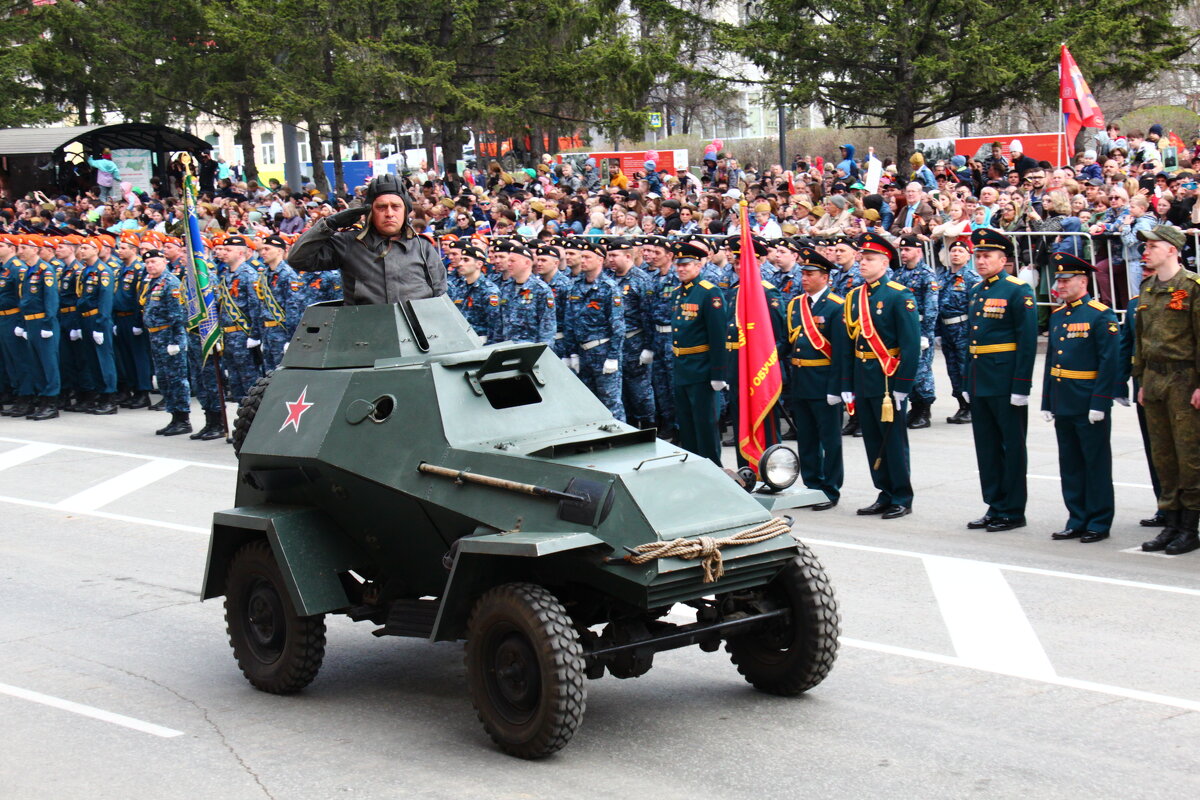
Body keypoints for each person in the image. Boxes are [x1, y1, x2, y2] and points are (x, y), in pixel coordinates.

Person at [1041, 252, 1120, 543]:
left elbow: (1108, 362)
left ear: (1082, 281)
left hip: (1088, 400)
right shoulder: (1059, 315)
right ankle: (1077, 517)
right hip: (1064, 400)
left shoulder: (1100, 314)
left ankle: (1099, 520)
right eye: (1058, 280)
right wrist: (1047, 400)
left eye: (1065, 279)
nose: (1059, 285)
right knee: (1070, 463)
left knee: (1095, 463)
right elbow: (1052, 362)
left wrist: (1100, 402)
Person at [842, 233, 921, 518]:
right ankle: (884, 491)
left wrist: (904, 385)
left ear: (885, 262)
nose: (862, 263)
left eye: (869, 259)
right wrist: (847, 384)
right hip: (864, 377)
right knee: (873, 439)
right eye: (861, 258)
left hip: (888, 380)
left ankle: (901, 495)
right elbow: (849, 346)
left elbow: (911, 345)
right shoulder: (854, 296)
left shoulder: (899, 295)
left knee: (893, 440)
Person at [964, 228, 1038, 533]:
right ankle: (994, 504)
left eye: (987, 256)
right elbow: (973, 342)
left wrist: (1021, 386)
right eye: (977, 256)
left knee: (1011, 447)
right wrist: (968, 383)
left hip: (1005, 381)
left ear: (1003, 259)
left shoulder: (1018, 290)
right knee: (988, 447)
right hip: (981, 380)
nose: (980, 261)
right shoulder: (978, 291)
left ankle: (1013, 509)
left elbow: (1028, 341)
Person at [1132, 224, 1200, 554]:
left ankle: (1189, 527)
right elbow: (1140, 340)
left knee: (1189, 455)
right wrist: (1141, 380)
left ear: (1172, 249)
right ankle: (1170, 522)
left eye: (1153, 246)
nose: (1146, 251)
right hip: (1155, 379)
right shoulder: (1147, 288)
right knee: (1163, 455)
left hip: (1185, 379)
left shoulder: (1192, 287)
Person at [289, 173, 446, 305]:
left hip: (416, 337)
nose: (389, 213)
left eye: (396, 206)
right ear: (370, 212)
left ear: (406, 211)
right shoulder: (348, 243)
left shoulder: (422, 247)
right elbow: (298, 259)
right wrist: (329, 224)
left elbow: (440, 297)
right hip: (364, 336)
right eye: (381, 207)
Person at [784, 245, 846, 510]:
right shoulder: (795, 305)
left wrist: (837, 388)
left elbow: (842, 353)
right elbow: (788, 344)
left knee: (829, 440)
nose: (804, 278)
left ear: (825, 277)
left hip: (824, 381)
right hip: (800, 380)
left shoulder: (836, 307)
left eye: (810, 273)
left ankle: (830, 489)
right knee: (806, 439)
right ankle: (812, 485)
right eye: (803, 273)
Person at [670, 238, 727, 465]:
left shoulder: (709, 293)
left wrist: (718, 373)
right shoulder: (678, 292)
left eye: (687, 264)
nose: (682, 269)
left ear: (699, 266)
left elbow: (719, 335)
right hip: (682, 368)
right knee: (687, 426)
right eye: (679, 264)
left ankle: (713, 470)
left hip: (702, 370)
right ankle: (694, 470)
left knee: (705, 426)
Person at [564, 240, 625, 420]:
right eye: (581, 257)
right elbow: (570, 322)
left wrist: (613, 357)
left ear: (599, 260)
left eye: (587, 257)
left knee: (611, 403)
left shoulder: (609, 287)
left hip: (603, 350)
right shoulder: (576, 286)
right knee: (587, 402)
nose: (583, 261)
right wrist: (571, 353)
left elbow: (618, 326)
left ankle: (620, 440)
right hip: (583, 352)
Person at [140, 250, 192, 436]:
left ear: (163, 261)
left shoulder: (170, 283)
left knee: (177, 378)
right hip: (156, 337)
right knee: (164, 379)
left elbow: (178, 315)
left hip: (169, 337)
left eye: (154, 261)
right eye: (147, 263)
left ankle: (183, 419)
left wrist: (176, 341)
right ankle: (174, 416)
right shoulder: (153, 283)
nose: (150, 265)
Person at [607, 238, 657, 429]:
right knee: (620, 392)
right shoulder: (608, 278)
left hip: (635, 341)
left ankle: (649, 426)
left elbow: (649, 315)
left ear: (628, 256)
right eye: (609, 255)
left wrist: (648, 347)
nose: (610, 259)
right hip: (614, 344)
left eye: (614, 255)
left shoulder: (641, 279)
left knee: (640, 391)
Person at [894, 235, 939, 428]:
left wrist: (926, 333)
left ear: (918, 251)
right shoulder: (898, 274)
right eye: (902, 250)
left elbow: (932, 306)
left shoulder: (927, 274)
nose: (904, 253)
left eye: (908, 250)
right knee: (907, 367)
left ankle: (924, 409)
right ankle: (915, 406)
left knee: (922, 370)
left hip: (920, 328)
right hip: (902, 328)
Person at [936, 237, 982, 423]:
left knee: (965, 368)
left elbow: (975, 308)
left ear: (968, 255)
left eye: (960, 251)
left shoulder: (972, 278)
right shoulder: (943, 277)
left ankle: (972, 406)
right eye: (953, 251)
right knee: (952, 369)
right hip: (947, 329)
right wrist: (937, 331)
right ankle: (962, 404)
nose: (955, 254)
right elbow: (937, 305)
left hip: (963, 328)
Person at [15, 236, 60, 420]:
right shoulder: (27, 271)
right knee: (36, 363)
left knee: (48, 364)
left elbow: (50, 299)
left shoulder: (45, 270)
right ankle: (42, 398)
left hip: (43, 322)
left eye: (25, 247)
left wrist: (48, 323)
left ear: (36, 249)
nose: (20, 251)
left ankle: (51, 402)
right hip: (31, 321)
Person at [449, 243, 501, 344]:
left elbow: (495, 326)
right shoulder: (459, 287)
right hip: (460, 341)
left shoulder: (489, 290)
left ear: (479, 264)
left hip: (480, 342)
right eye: (461, 259)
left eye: (466, 260)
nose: (460, 263)